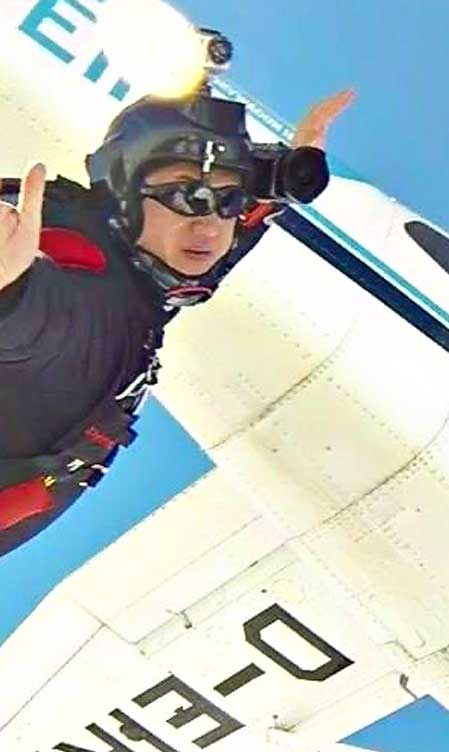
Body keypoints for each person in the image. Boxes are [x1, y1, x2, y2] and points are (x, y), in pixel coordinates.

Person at [0, 80, 353, 561]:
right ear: (125, 193)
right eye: (186, 197)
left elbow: (216, 244)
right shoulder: (90, 289)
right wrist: (10, 289)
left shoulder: (148, 275)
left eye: (228, 201)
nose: (208, 225)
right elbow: (44, 321)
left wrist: (282, 183)